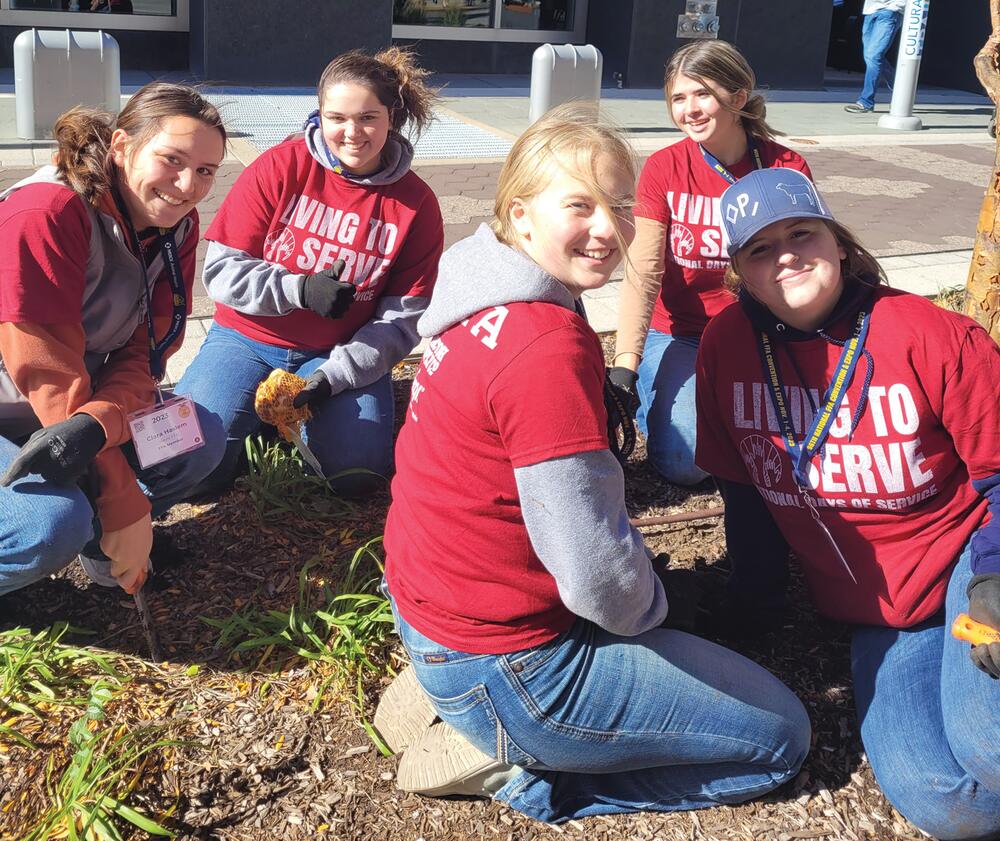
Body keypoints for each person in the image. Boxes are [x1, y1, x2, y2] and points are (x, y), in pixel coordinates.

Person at [378, 104, 811, 824]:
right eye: (580, 204)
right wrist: (654, 611)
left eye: (617, 204)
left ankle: (456, 700)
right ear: (521, 214)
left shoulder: (477, 289)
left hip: (433, 610)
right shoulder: (543, 346)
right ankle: (529, 773)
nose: (608, 228)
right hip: (513, 665)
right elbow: (594, 574)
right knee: (782, 738)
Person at [696, 167, 1000, 839]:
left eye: (801, 233)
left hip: (964, 569)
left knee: (993, 751)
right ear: (740, 270)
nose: (786, 257)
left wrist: (993, 574)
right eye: (759, 248)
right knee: (950, 802)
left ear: (839, 242)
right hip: (879, 616)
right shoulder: (724, 345)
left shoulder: (931, 334)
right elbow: (743, 493)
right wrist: (753, 606)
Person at [175, 48, 443, 497]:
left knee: (356, 477)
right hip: (246, 338)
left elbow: (404, 317)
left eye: (368, 118)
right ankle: (256, 422)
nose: (352, 133)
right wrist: (296, 288)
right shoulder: (279, 167)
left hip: (337, 351)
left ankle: (296, 425)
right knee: (186, 463)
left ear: (391, 117)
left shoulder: (416, 203)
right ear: (319, 114)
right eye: (336, 117)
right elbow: (221, 273)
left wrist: (336, 375)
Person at [0, 82, 228, 597]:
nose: (187, 185)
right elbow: (47, 374)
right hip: (24, 400)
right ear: (123, 147)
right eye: (172, 159)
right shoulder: (47, 213)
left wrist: (100, 425)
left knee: (197, 434)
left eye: (206, 170)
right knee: (47, 524)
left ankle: (108, 546)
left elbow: (143, 349)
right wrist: (119, 487)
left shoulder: (176, 226)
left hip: (74, 412)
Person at [610, 40, 811, 486]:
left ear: (737, 98)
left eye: (702, 94)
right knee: (686, 465)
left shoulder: (784, 168)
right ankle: (654, 392)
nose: (690, 110)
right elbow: (643, 272)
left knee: (801, 440)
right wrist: (625, 365)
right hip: (680, 334)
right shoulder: (664, 168)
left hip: (760, 331)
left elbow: (803, 265)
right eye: (678, 98)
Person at [844, 0, 905, 114]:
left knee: (874, 56)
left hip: (890, 11)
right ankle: (899, 87)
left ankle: (865, 101)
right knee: (871, 56)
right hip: (870, 11)